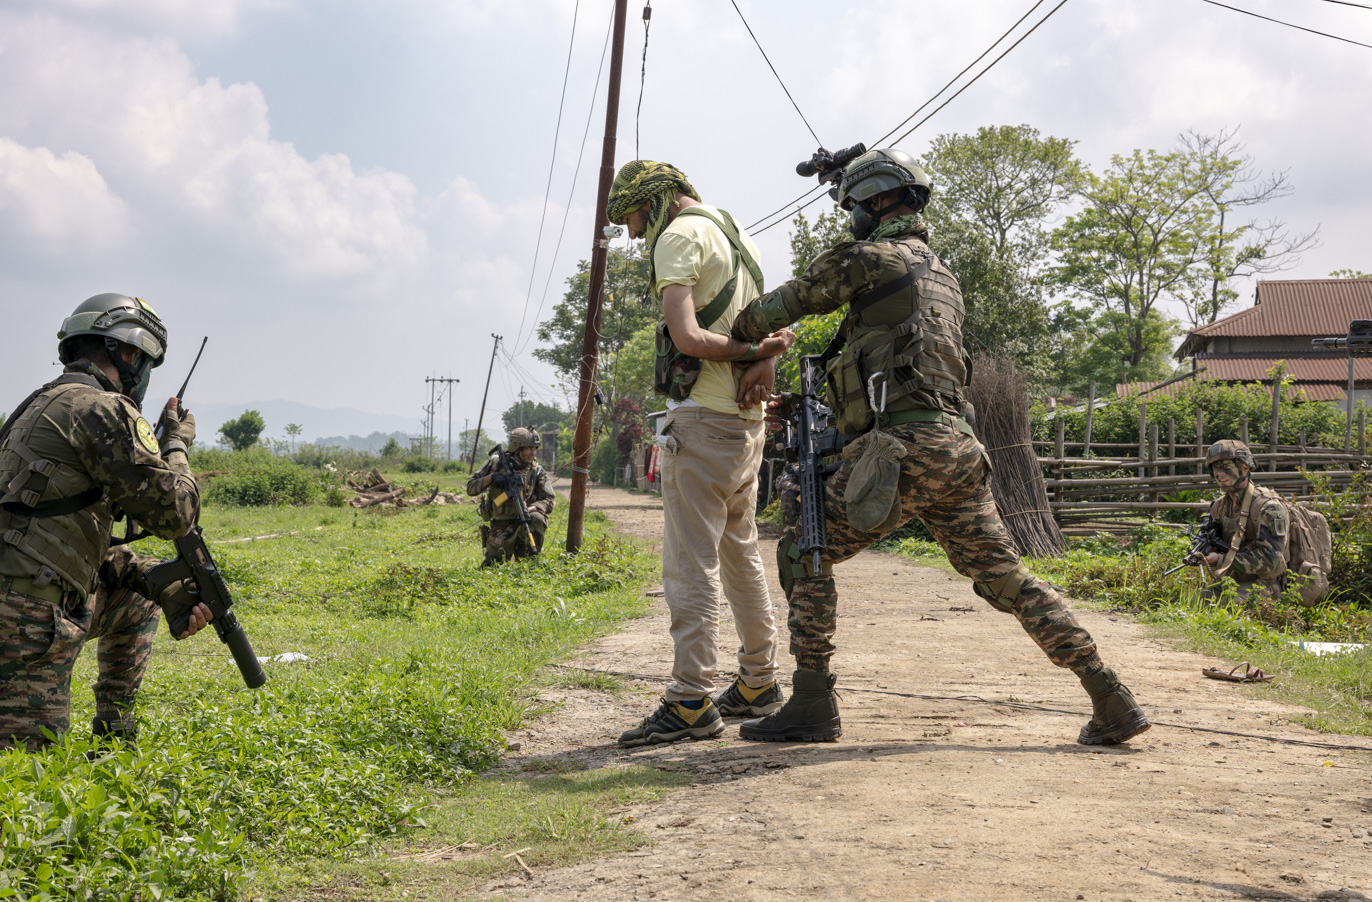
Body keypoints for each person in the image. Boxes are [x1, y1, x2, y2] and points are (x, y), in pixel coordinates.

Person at [731, 148, 1150, 746]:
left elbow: (783, 305)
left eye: (853, 205)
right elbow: (896, 371)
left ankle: (812, 702)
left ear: (875, 204)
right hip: (956, 452)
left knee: (803, 547)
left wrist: (718, 334)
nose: (850, 216)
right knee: (1007, 578)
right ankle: (1109, 694)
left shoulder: (872, 257)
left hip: (901, 452)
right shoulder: (942, 278)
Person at [0, 294, 213, 755]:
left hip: (19, 604)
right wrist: (176, 445)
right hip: (18, 619)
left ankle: (113, 745)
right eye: (145, 362)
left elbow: (66, 536)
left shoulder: (48, 403)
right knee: (22, 791)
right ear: (127, 354)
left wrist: (153, 580)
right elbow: (176, 513)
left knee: (137, 603)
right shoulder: (99, 408)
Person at [603, 159, 796, 747]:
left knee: (691, 562)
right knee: (741, 553)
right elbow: (770, 332)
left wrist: (756, 353)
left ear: (658, 199)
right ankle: (760, 682)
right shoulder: (738, 235)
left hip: (704, 421)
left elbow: (687, 338)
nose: (636, 234)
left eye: (635, 217)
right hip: (747, 423)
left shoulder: (679, 237)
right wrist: (762, 356)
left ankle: (690, 699)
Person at [1201, 439, 1290, 600]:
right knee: (1197, 601)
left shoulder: (1268, 507)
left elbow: (1270, 560)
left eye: (1226, 466)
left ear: (1245, 467)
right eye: (1215, 467)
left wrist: (1220, 559)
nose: (1219, 473)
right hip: (1231, 582)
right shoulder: (1219, 507)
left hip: (1265, 586)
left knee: (1224, 605)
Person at [467, 426, 555, 566]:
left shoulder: (537, 471)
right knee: (493, 566)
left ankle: (528, 559)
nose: (533, 453)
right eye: (529, 449)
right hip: (501, 526)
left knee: (537, 519)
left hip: (524, 523)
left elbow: (549, 500)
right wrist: (492, 477)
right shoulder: (495, 464)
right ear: (517, 448)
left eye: (535, 448)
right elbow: (471, 488)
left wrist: (530, 509)